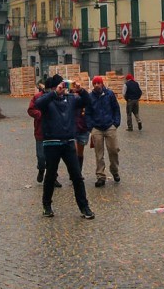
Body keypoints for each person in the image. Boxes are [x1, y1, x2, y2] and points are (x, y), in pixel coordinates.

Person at [34, 75, 94, 219]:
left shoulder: (71, 99)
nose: (63, 88)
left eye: (64, 85)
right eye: (60, 86)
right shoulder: (47, 98)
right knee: (50, 176)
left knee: (77, 177)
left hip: (68, 142)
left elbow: (88, 102)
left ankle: (84, 207)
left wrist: (81, 91)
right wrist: (55, 93)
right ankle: (47, 206)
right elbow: (38, 104)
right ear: (54, 87)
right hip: (51, 142)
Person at [86, 75, 121, 187]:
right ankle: (100, 176)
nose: (97, 85)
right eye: (95, 83)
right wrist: (90, 127)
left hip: (110, 125)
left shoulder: (109, 94)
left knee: (114, 150)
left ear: (102, 83)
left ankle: (114, 170)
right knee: (99, 154)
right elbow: (87, 113)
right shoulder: (90, 97)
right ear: (93, 85)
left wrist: (116, 123)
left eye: (98, 83)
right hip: (96, 128)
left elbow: (116, 108)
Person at [27, 83, 61, 187]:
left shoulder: (57, 97)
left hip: (53, 133)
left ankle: (53, 177)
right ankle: (41, 169)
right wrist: (41, 115)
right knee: (41, 157)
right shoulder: (37, 97)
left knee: (53, 158)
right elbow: (31, 110)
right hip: (40, 132)